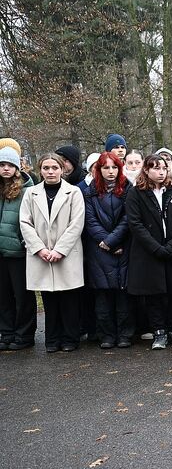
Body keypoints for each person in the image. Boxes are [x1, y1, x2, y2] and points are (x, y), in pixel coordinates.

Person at [19, 152, 86, 352]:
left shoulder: (73, 192)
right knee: (49, 299)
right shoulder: (31, 194)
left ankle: (70, 338)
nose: (50, 172)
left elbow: (76, 223)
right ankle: (52, 339)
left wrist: (59, 250)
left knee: (68, 299)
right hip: (41, 253)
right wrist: (39, 248)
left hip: (66, 253)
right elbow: (25, 222)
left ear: (62, 169)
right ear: (40, 170)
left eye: (54, 168)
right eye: (46, 168)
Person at [125, 154, 172, 350]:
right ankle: (159, 331)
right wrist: (155, 247)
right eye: (155, 168)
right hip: (149, 251)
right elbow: (135, 224)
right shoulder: (136, 193)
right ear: (146, 170)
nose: (161, 171)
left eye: (163, 168)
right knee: (154, 293)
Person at [83, 152, 133, 348]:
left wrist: (113, 241)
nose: (110, 172)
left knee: (123, 295)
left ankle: (125, 334)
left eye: (114, 167)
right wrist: (105, 241)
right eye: (106, 167)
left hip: (123, 246)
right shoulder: (90, 191)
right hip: (99, 250)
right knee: (102, 296)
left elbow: (129, 218)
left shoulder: (128, 188)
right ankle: (107, 335)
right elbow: (89, 219)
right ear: (99, 169)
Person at [0, 145, 37, 350]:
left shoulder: (27, 190)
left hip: (19, 251)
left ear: (17, 167)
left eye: (10, 165)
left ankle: (24, 334)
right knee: (3, 295)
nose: (6, 169)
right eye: (2, 165)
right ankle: (6, 332)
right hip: (0, 252)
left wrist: (25, 242)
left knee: (22, 295)